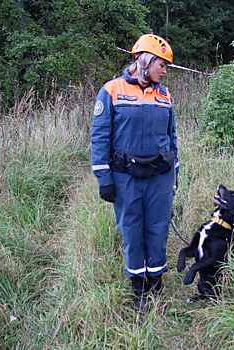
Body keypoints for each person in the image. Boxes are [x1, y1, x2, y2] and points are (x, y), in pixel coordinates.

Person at [90, 34, 179, 313]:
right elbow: (99, 138)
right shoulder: (112, 90)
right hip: (126, 177)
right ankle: (139, 287)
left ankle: (155, 280)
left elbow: (172, 138)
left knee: (158, 228)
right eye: (161, 64)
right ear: (145, 61)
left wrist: (174, 178)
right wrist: (104, 179)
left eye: (166, 66)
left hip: (159, 176)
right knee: (131, 231)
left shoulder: (164, 95)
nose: (165, 71)